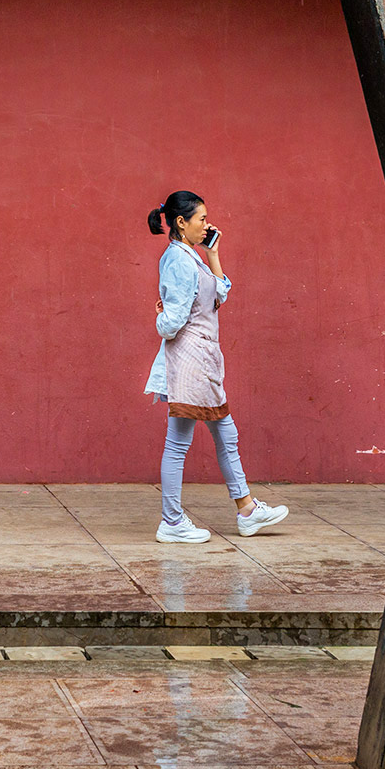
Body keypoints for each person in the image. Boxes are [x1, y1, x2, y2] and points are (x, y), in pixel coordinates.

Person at [144, 191, 289, 544]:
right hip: (190, 359)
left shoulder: (191, 257)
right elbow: (173, 321)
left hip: (202, 360)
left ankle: (247, 510)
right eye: (202, 219)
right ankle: (173, 521)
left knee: (225, 433)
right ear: (181, 222)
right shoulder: (178, 260)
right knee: (180, 442)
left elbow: (219, 293)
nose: (207, 224)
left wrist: (213, 253)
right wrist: (161, 319)